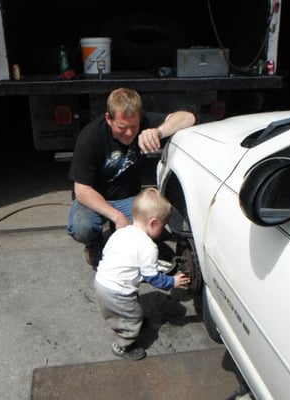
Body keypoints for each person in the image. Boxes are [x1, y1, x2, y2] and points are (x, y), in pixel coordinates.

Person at [67, 87, 196, 266]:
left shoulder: (144, 122)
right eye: (122, 127)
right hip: (95, 198)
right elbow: (82, 191)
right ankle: (94, 244)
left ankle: (138, 245)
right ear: (108, 119)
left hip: (127, 196)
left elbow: (188, 118)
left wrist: (158, 132)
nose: (129, 133)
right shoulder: (91, 137)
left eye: (133, 127)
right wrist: (117, 217)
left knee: (156, 225)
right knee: (82, 228)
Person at [94, 187, 191, 360]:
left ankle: (126, 320)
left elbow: (106, 254)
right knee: (131, 318)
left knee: (129, 307)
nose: (163, 231)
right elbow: (152, 277)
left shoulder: (121, 232)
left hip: (102, 281)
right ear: (153, 223)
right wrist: (172, 282)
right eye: (163, 226)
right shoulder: (148, 247)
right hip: (118, 292)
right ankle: (122, 345)